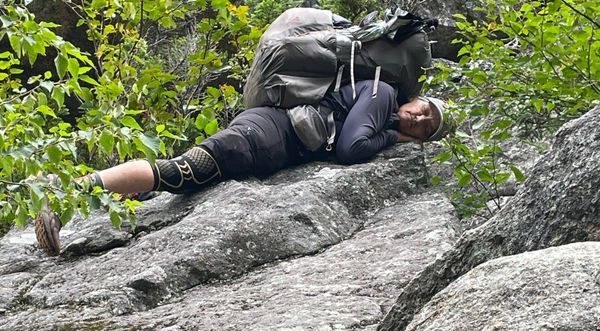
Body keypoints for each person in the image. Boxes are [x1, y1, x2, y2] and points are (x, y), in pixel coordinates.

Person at [34, 80, 455, 256]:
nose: (418, 121)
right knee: (178, 173)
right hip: (264, 137)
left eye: (426, 127)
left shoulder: (378, 100)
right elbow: (352, 148)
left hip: (268, 135)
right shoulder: (382, 91)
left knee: (164, 184)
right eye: (422, 112)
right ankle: (65, 194)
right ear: (415, 99)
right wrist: (394, 138)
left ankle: (69, 187)